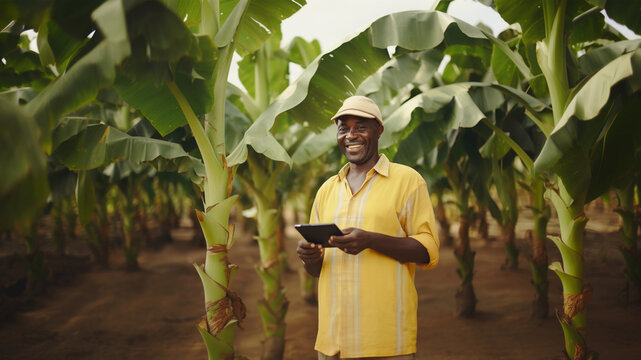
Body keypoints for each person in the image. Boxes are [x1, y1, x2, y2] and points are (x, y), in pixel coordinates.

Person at [297, 95, 440, 359]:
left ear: (379, 130)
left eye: (360, 126)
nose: (351, 135)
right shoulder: (327, 190)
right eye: (344, 128)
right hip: (333, 342)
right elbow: (319, 271)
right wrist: (310, 258)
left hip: (385, 340)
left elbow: (427, 251)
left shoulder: (407, 181)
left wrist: (371, 240)